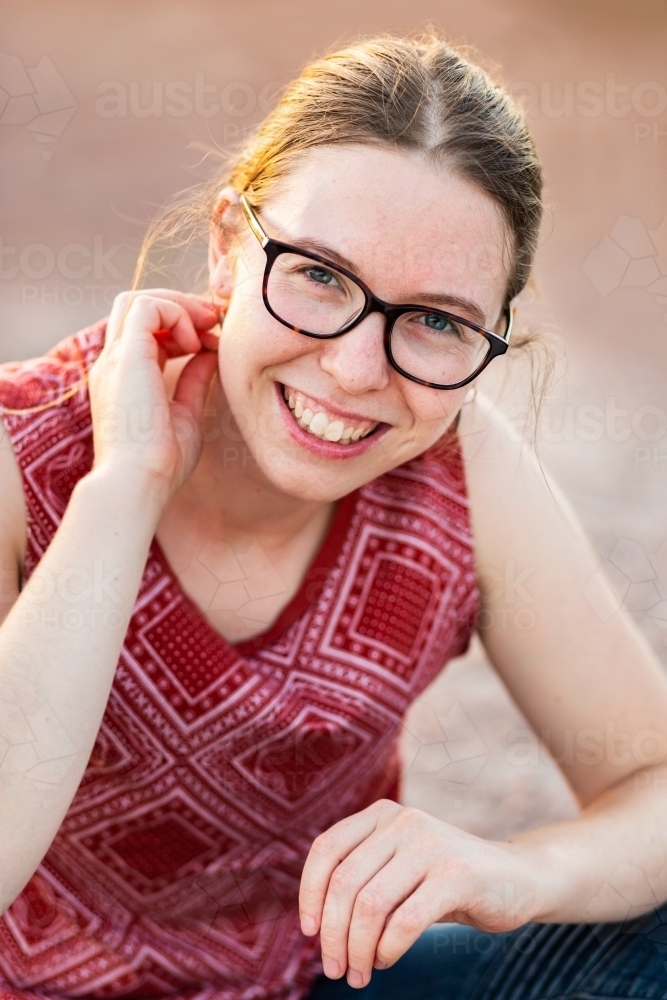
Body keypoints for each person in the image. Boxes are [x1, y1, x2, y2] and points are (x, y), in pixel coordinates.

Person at [0, 30, 666, 1000]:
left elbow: (650, 781)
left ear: (491, 339)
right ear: (230, 243)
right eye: (318, 273)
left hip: (321, 983)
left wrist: (517, 873)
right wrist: (120, 491)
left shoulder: (457, 466)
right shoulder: (26, 457)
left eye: (436, 321)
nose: (355, 371)